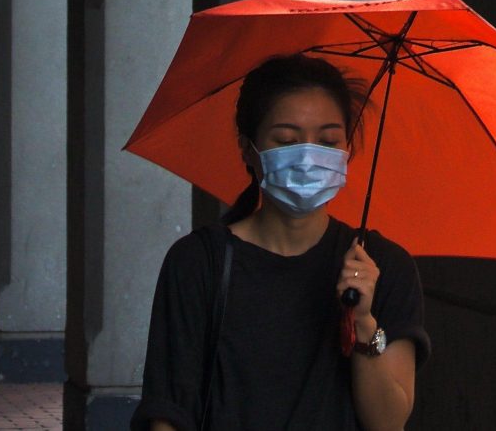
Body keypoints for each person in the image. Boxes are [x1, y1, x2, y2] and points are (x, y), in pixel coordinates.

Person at [130, 54, 430, 430]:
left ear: (347, 150)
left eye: (328, 140)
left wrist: (364, 324)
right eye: (287, 139)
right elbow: (168, 411)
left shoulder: (382, 266)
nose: (307, 156)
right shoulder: (198, 262)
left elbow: (387, 423)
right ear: (248, 148)